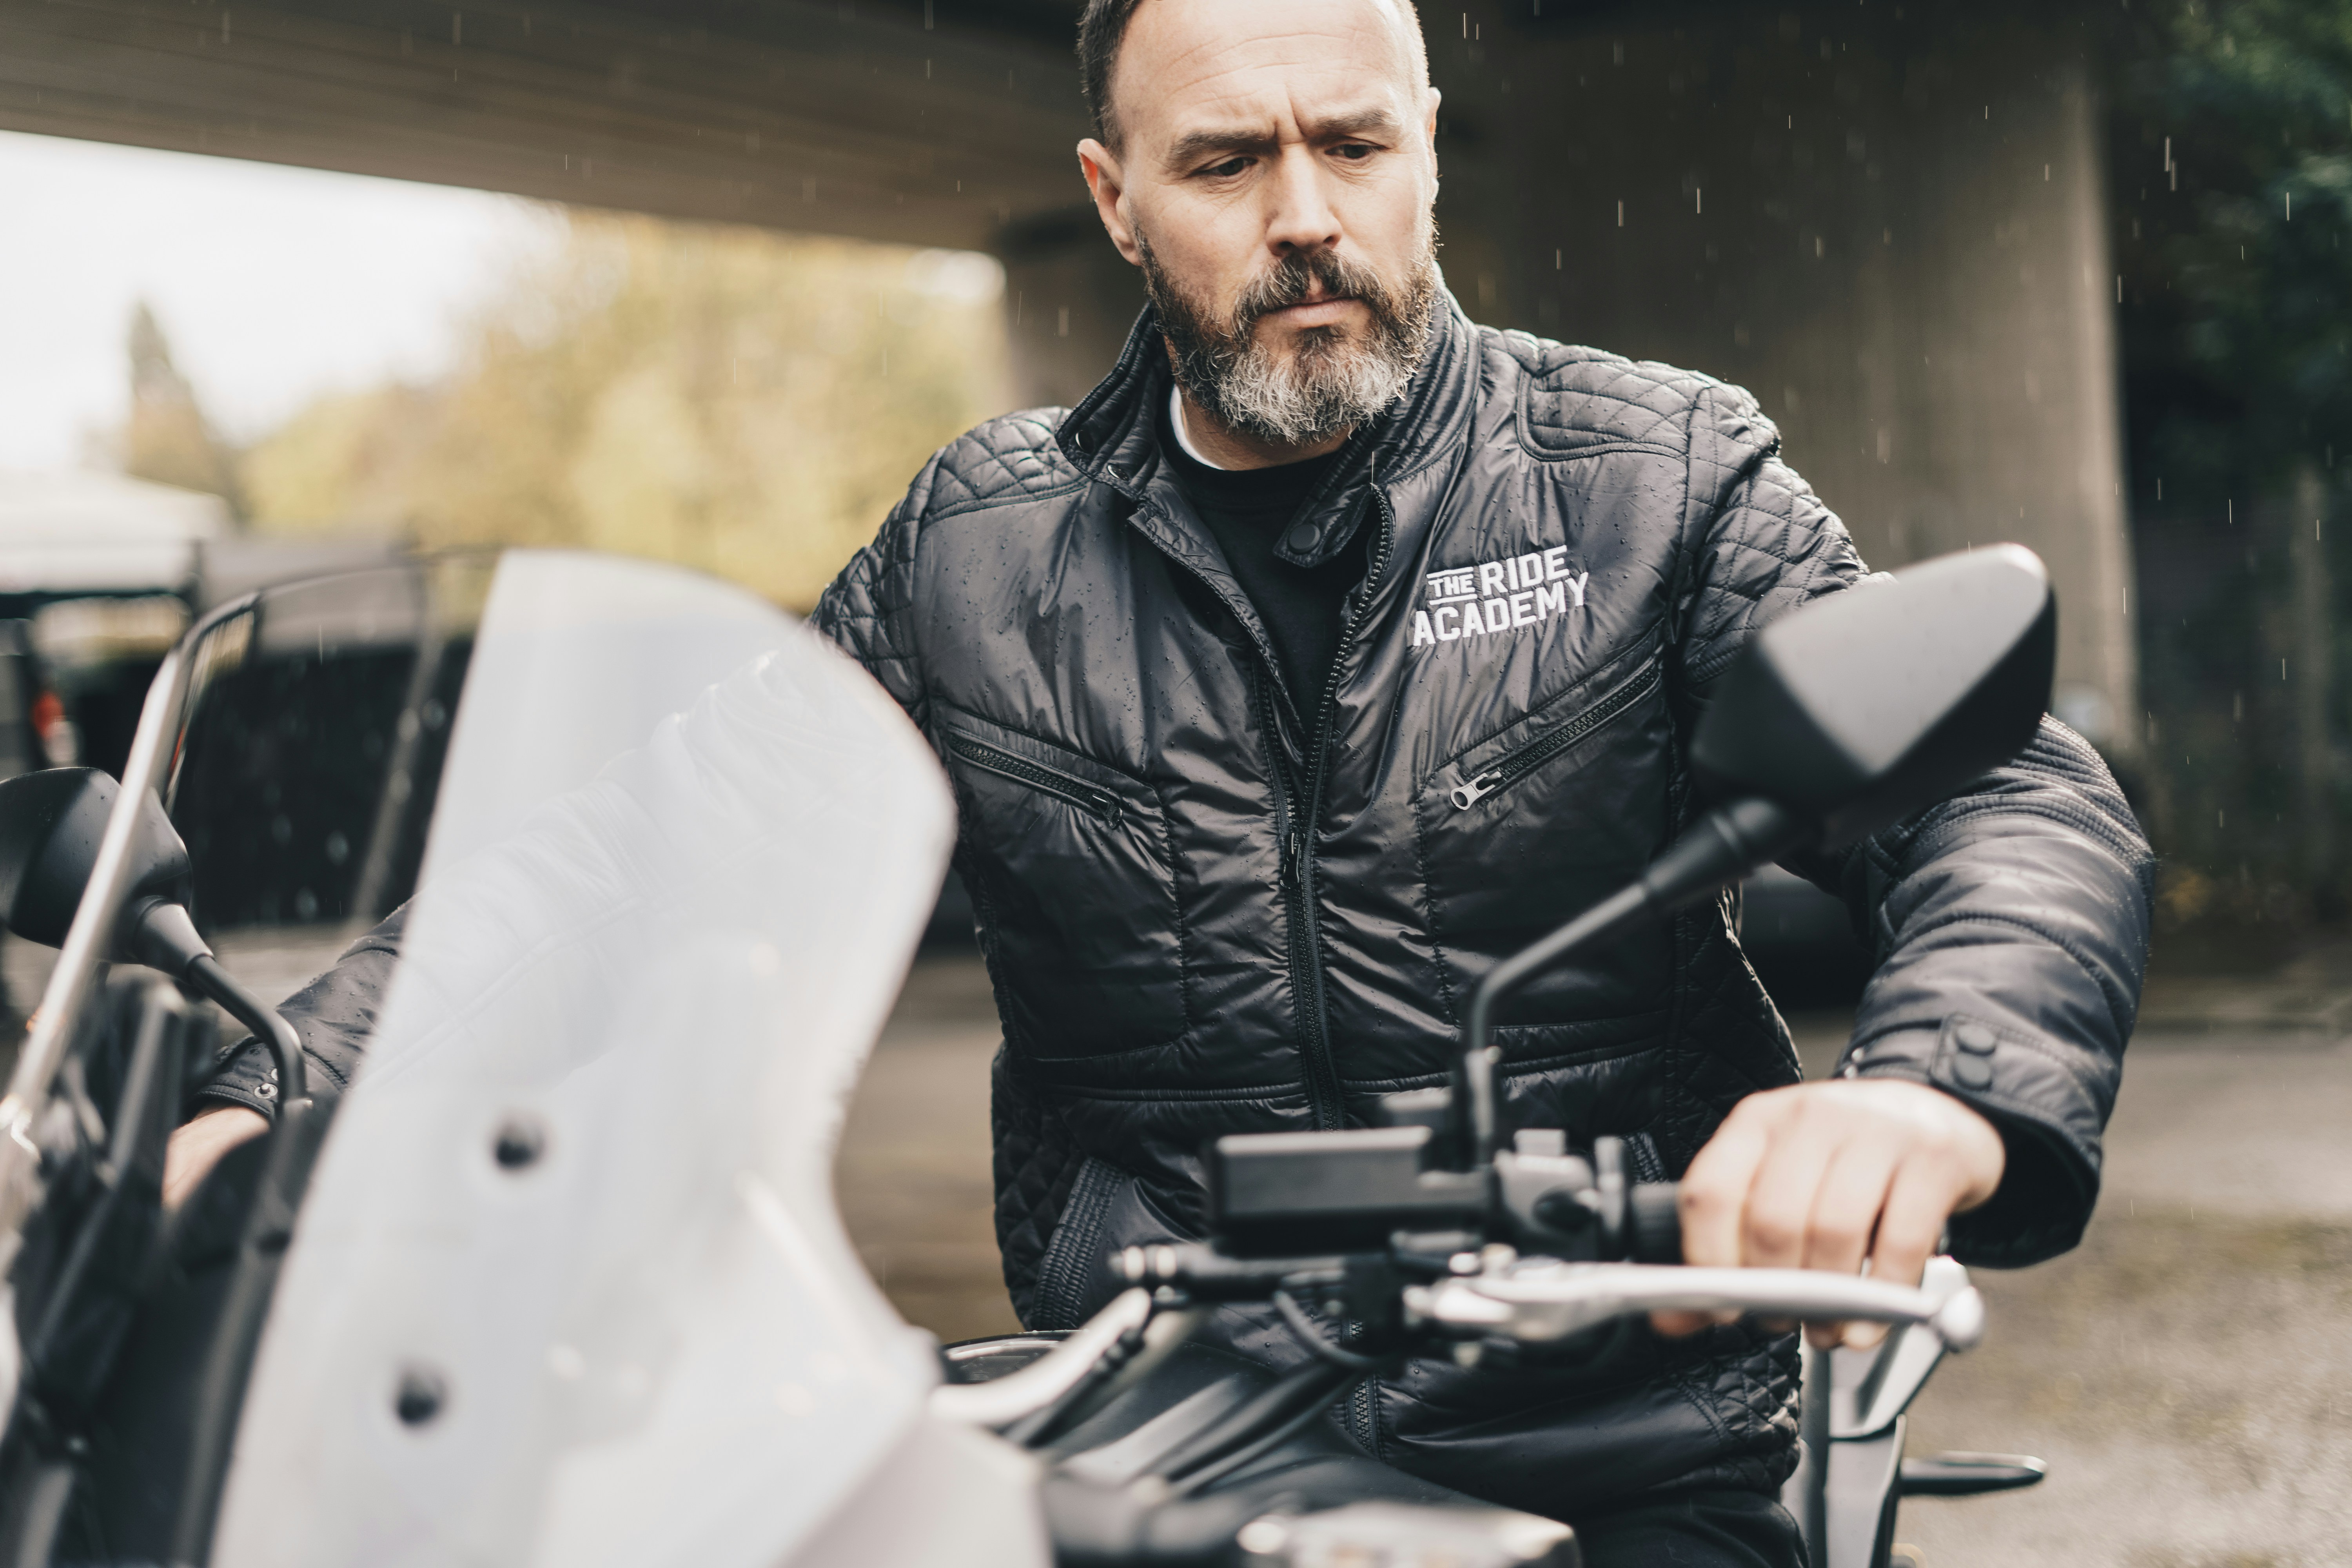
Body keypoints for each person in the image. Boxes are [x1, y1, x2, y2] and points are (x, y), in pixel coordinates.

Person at [171, 0, 2152, 1557]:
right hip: (1154, 1413)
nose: (1307, 212)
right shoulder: (975, 557)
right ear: (1116, 198)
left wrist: (1932, 1085)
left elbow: (2004, 795)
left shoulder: (1652, 476)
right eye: (1228, 159)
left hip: (1614, 1414)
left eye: (1355, 144)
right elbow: (628, 873)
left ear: (1426, 148)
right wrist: (260, 1106)